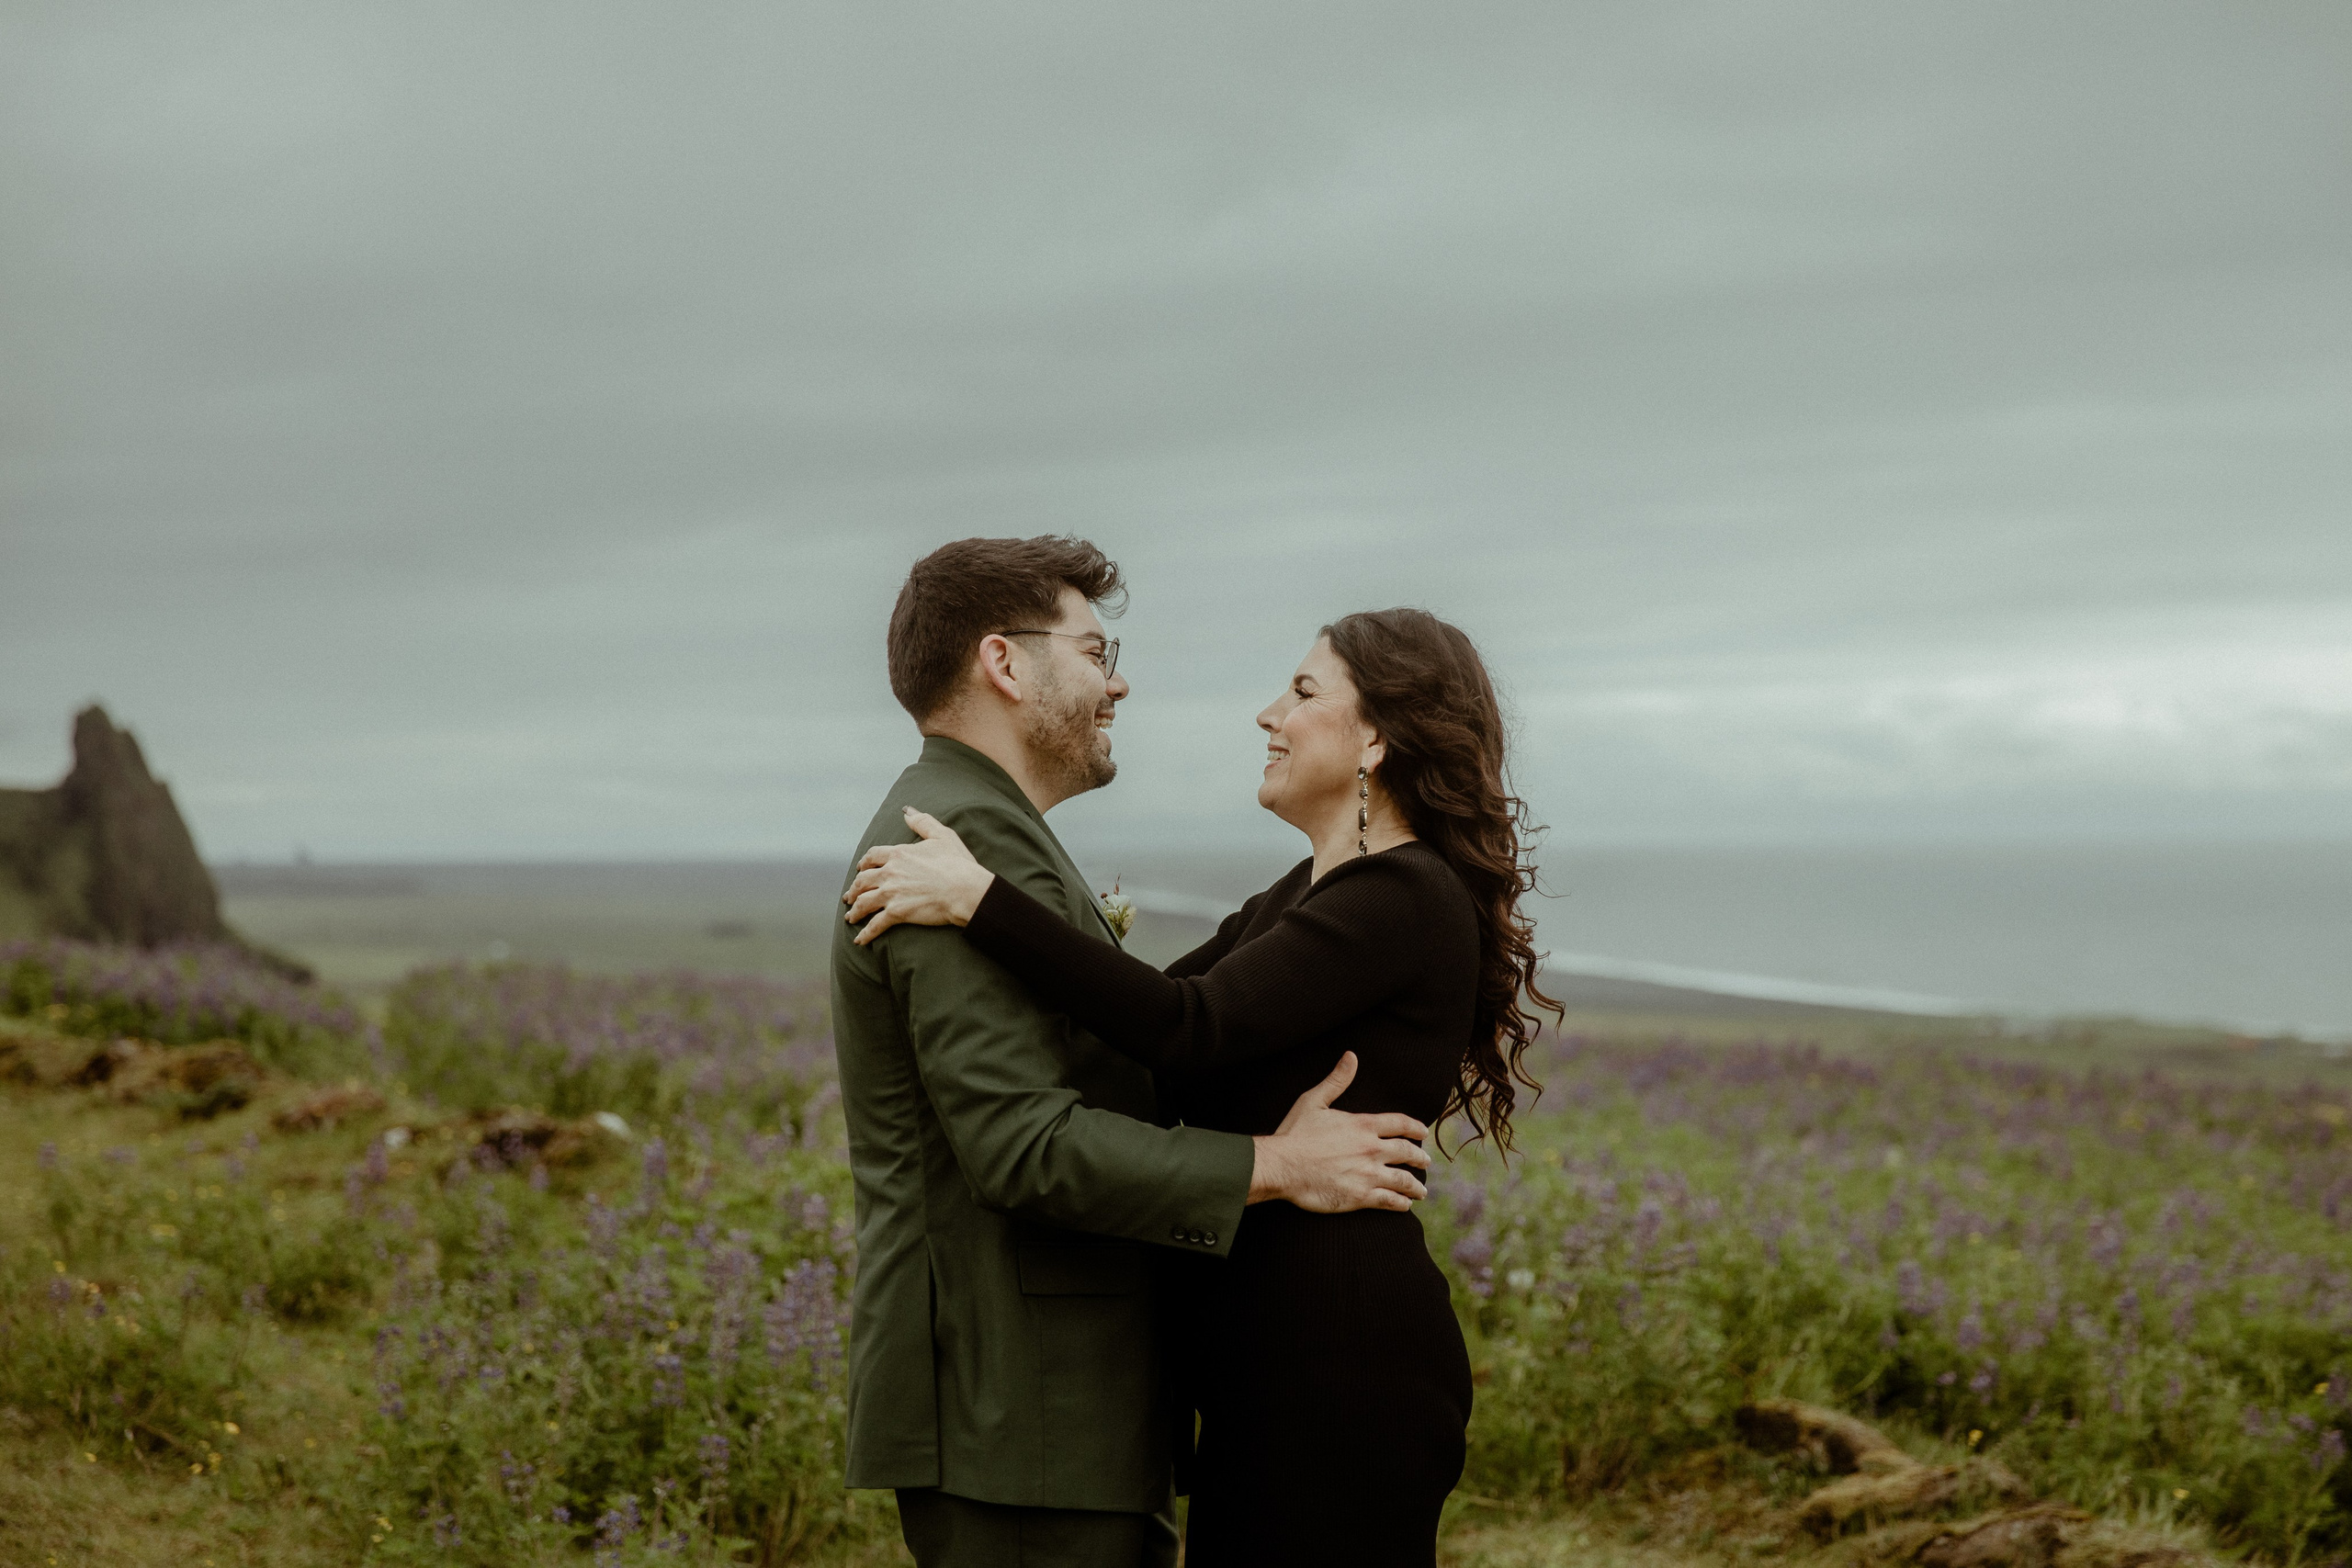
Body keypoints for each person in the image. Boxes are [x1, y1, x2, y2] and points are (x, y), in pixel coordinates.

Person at [846, 604, 1559, 1566]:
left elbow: (1187, 1026)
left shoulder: (1404, 895)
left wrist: (981, 901)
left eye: (1301, 692)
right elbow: (1146, 1032)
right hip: (1261, 1362)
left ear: (1376, 741)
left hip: (1340, 1358)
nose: (1268, 714)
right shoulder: (1298, 897)